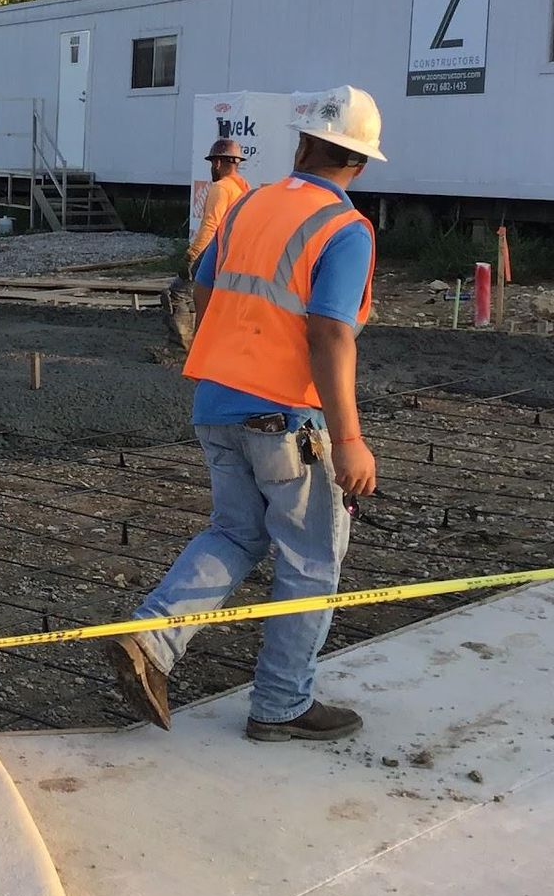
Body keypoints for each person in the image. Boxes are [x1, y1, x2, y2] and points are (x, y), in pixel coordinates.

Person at [108, 87, 384, 743]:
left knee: (236, 532)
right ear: (361, 163)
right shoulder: (345, 229)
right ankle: (282, 704)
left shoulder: (250, 203)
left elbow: (205, 288)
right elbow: (329, 334)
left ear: (302, 143)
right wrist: (348, 439)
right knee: (313, 555)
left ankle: (152, 642)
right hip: (287, 416)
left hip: (216, 399)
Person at [163, 139, 250, 351]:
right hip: (235, 253)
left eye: (212, 163)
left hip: (214, 249)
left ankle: (181, 348)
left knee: (177, 293)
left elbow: (211, 225)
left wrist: (191, 256)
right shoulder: (243, 188)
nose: (212, 168)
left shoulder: (221, 188)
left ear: (218, 163)